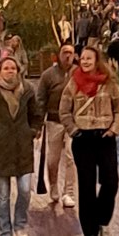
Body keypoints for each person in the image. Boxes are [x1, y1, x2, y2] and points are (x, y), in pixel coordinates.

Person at [60, 46, 119, 236]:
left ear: (97, 60)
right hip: (83, 139)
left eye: (89, 58)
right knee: (86, 186)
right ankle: (90, 230)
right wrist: (73, 130)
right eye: (83, 59)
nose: (85, 62)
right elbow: (64, 110)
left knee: (111, 180)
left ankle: (102, 218)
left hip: (105, 137)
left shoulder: (109, 83)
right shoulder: (73, 82)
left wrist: (114, 130)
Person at [0, 57, 44, 236]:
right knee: (3, 195)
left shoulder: (27, 90)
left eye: (13, 68)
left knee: (25, 190)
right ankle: (5, 230)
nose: (10, 71)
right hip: (1, 151)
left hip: (23, 148)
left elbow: (36, 114)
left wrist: (33, 130)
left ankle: (20, 225)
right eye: (6, 68)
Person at [36, 43, 77, 208]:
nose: (68, 56)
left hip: (73, 122)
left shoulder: (78, 74)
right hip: (54, 120)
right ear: (58, 55)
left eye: (71, 53)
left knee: (71, 157)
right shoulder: (48, 76)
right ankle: (53, 186)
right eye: (65, 52)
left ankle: (69, 192)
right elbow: (41, 100)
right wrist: (38, 124)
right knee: (53, 159)